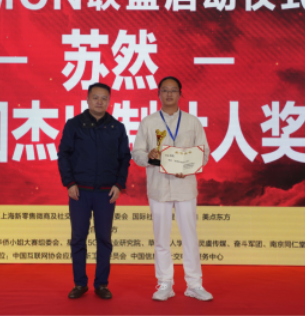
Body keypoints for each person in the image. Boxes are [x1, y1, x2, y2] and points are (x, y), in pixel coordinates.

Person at [132, 76, 213, 301]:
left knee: (190, 237)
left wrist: (189, 166)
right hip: (159, 187)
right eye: (165, 90)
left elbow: (204, 152)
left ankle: (194, 284)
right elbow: (136, 153)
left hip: (185, 186)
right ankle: (165, 283)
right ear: (158, 94)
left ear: (180, 94)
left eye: (173, 90)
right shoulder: (148, 122)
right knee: (161, 238)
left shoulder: (192, 122)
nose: (169, 94)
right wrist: (149, 156)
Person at [57, 82, 131, 300]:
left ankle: (102, 284)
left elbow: (124, 159)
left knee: (104, 239)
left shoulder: (117, 127)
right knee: (78, 238)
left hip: (106, 193)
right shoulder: (74, 124)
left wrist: (119, 185)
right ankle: (80, 283)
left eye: (104, 98)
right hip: (79, 191)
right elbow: (64, 155)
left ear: (109, 101)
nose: (100, 102)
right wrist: (69, 183)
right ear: (88, 99)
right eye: (95, 97)